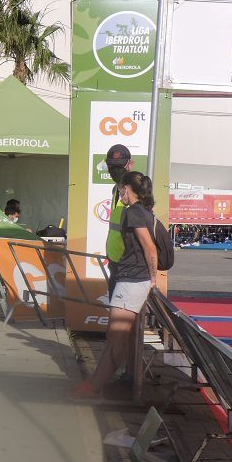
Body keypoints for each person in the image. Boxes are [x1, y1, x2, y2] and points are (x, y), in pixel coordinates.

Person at [71, 171, 158, 402]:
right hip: (133, 280)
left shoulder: (133, 213)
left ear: (129, 189)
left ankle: (94, 388)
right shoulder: (145, 212)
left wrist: (153, 278)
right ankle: (95, 385)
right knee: (116, 339)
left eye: (122, 190)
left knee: (115, 340)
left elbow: (149, 247)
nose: (120, 194)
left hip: (132, 281)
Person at [104, 144, 134, 298]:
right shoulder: (116, 189)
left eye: (118, 166)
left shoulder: (134, 189)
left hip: (128, 263)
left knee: (122, 314)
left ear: (130, 164)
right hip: (116, 260)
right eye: (112, 166)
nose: (114, 171)